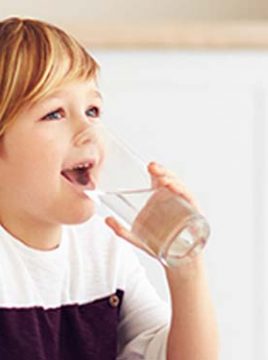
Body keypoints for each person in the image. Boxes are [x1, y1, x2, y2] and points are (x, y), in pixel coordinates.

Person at [0, 17, 219, 360]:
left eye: (92, 110)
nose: (88, 129)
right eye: (55, 113)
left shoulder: (103, 250)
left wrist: (186, 270)